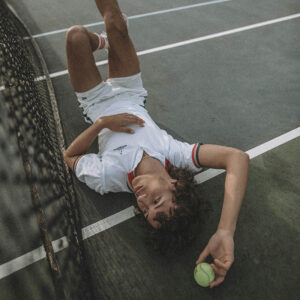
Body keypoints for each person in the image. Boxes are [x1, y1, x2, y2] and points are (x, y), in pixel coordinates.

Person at [63, 0, 250, 289]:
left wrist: (101, 124)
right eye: (156, 202)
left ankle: (98, 42)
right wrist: (225, 231)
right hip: (130, 92)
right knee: (116, 24)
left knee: (75, 36)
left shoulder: (109, 177)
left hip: (96, 103)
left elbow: (70, 156)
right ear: (175, 184)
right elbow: (237, 158)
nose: (142, 202)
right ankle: (105, 40)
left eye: (145, 211)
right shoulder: (176, 156)